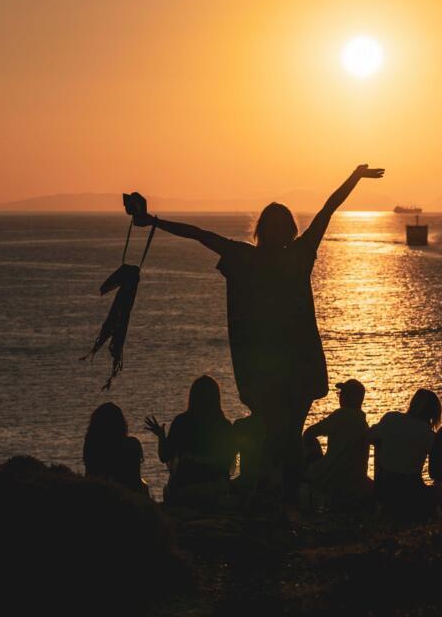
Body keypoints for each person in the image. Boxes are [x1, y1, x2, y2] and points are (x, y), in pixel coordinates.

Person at [128, 164, 384, 499]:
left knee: (286, 433)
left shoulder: (279, 256)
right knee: (284, 434)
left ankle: (280, 496)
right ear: (269, 230)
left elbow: (327, 209)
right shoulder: (273, 256)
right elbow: (200, 234)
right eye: (274, 226)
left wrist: (353, 178)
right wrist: (155, 222)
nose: (278, 232)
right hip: (280, 365)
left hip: (284, 364)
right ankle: (282, 495)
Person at [144, 375, 236, 505]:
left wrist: (161, 437)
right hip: (216, 491)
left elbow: (165, 456)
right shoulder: (224, 425)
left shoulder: (181, 422)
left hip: (184, 491)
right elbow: (227, 464)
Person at [368, 388, 442, 519]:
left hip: (384, 486)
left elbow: (370, 437)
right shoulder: (429, 435)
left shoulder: (390, 418)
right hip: (410, 488)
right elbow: (436, 471)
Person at [302, 379, 372, 506]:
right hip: (355, 482)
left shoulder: (340, 416)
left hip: (333, 480)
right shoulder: (363, 424)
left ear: (350, 397)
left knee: (311, 444)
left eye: (343, 394)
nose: (340, 397)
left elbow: (309, 433)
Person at [83, 402, 149, 496]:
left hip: (97, 495)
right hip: (127, 498)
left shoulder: (90, 445)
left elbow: (89, 474)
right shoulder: (132, 444)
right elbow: (135, 480)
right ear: (121, 423)